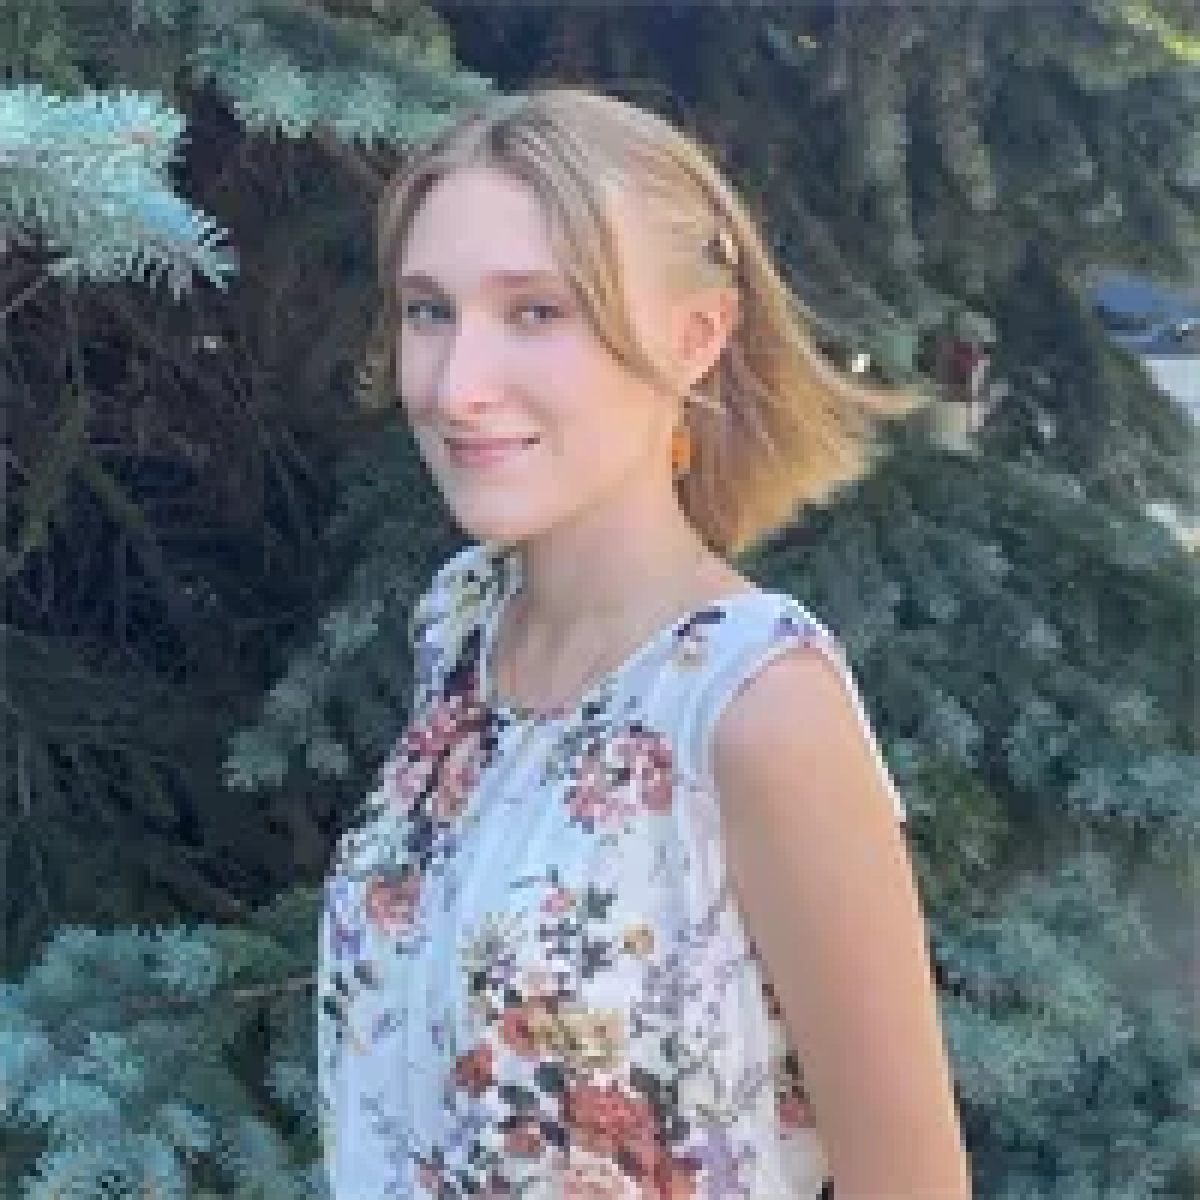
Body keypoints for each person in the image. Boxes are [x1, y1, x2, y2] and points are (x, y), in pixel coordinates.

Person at [317, 86, 972, 1198]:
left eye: (537, 311)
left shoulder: (758, 703)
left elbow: (910, 1182)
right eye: (429, 310)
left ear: (696, 336)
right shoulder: (462, 624)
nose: (457, 386)